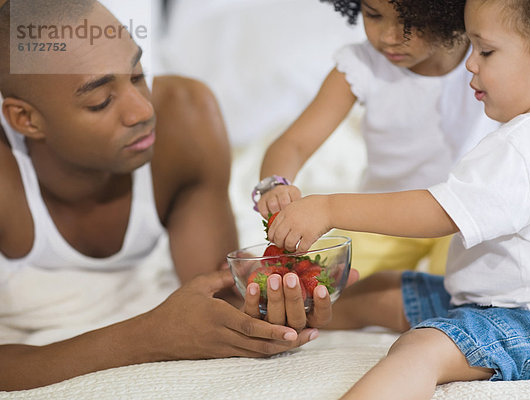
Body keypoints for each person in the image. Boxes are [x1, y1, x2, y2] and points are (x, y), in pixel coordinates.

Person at [264, 0, 530, 398]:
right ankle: (276, 317)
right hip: (500, 299)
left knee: (422, 347)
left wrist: (329, 207)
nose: (470, 65)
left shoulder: (527, 144)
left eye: (485, 51)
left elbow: (439, 213)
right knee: (381, 290)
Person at [0, 0, 339, 391]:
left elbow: (217, 300)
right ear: (26, 119)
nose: (142, 111)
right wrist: (145, 337)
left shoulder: (185, 117)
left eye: (139, 75)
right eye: (101, 101)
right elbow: (168, 330)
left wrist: (289, 300)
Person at [254, 0, 498, 278]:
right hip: (382, 218)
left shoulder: (488, 59)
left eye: (411, 22)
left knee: (467, 290)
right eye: (373, 14)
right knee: (312, 282)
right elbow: (293, 144)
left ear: (448, 13)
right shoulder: (362, 65)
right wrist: (274, 185)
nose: (388, 37)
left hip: (458, 218)